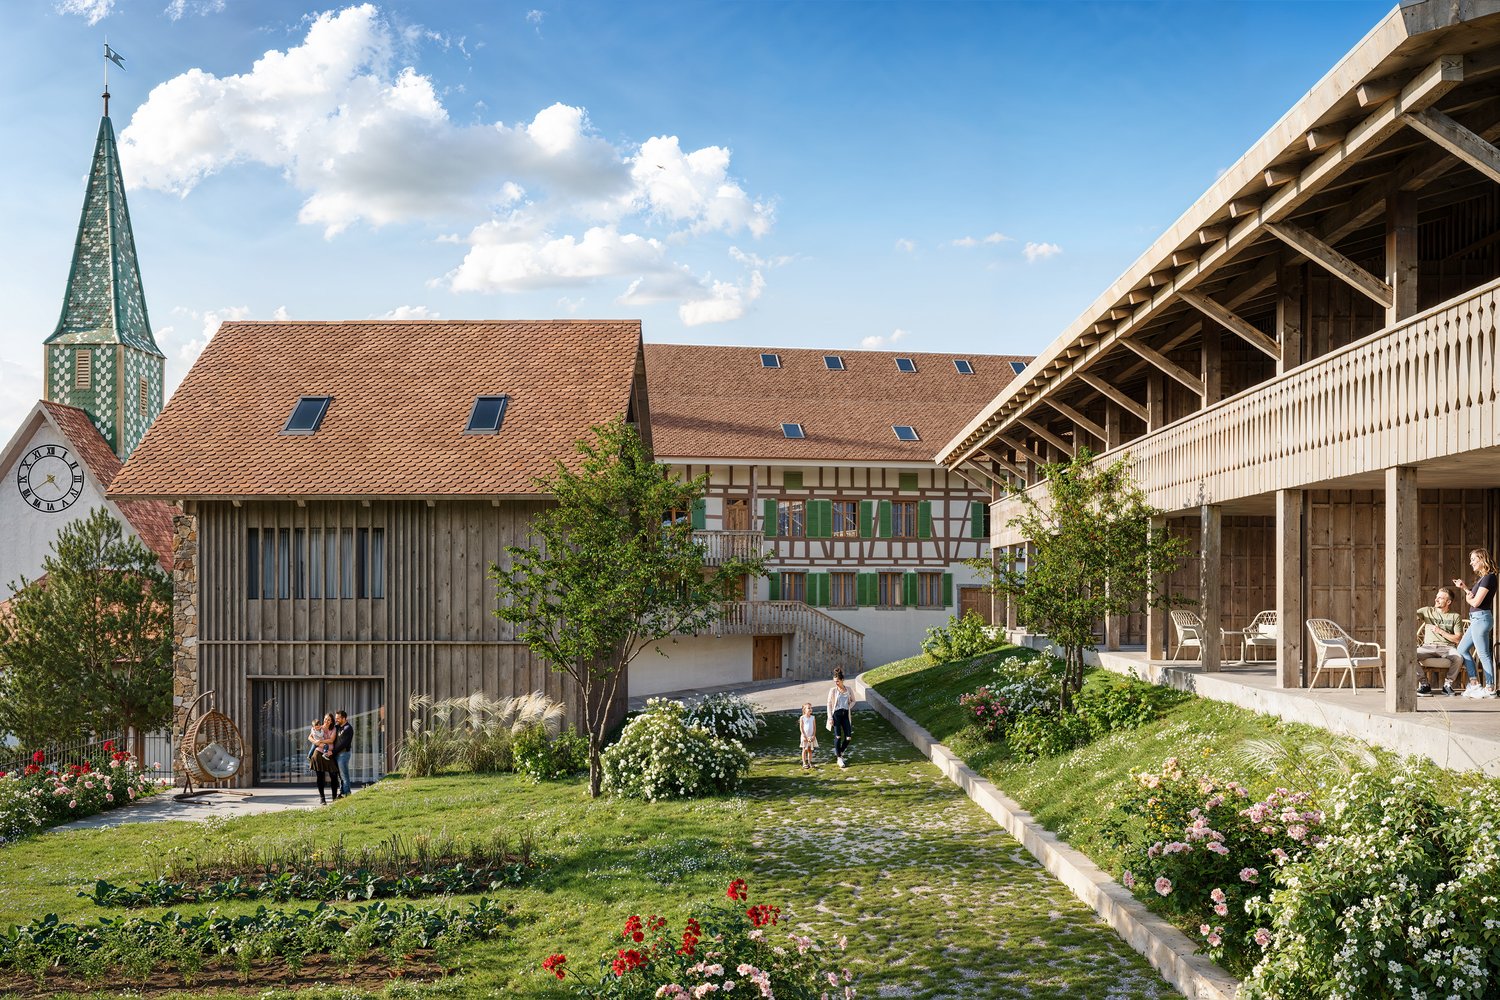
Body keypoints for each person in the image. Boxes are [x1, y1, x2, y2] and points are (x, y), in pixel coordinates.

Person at [1453, 548, 1498, 699]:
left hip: (1481, 618)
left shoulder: (1489, 578)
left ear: (1482, 559)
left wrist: (1468, 600)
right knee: (1462, 649)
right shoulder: (1483, 578)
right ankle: (1474, 684)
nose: (1471, 563)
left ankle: (1490, 687)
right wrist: (1465, 588)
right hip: (1477, 619)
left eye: (1473, 559)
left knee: (1483, 654)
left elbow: (1477, 601)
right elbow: (1474, 596)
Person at [1415, 587, 1466, 697]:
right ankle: (1424, 685)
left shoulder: (1455, 616)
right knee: (1409, 655)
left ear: (1448, 602)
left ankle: (1447, 685)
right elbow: (1409, 616)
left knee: (1458, 657)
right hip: (1428, 647)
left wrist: (1440, 631)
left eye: (1440, 598)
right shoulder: (1427, 611)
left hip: (1447, 647)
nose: (1436, 600)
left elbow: (1457, 639)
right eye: (1436, 597)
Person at [306, 712, 337, 804]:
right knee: (320, 776)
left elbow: (331, 740)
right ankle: (322, 798)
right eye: (325, 719)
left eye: (329, 720)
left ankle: (334, 797)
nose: (326, 721)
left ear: (331, 722)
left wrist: (320, 741)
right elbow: (309, 737)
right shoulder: (319, 727)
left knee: (333, 775)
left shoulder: (334, 729)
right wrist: (316, 742)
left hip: (329, 754)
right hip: (318, 753)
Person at [826, 668, 853, 769]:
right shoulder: (833, 690)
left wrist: (849, 706)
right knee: (838, 736)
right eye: (834, 681)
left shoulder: (848, 689)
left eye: (837, 681)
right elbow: (828, 704)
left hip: (845, 714)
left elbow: (853, 701)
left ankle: (839, 751)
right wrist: (830, 717)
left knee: (848, 737)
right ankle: (839, 758)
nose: (836, 683)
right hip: (836, 715)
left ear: (842, 680)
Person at [331, 710, 355, 796]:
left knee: (344, 774)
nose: (336, 720)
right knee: (340, 775)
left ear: (344, 718)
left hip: (343, 754)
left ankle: (347, 793)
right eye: (336, 718)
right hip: (337, 754)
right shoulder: (337, 727)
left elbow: (343, 744)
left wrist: (332, 752)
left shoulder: (348, 728)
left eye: (338, 718)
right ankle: (342, 792)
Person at [798, 702, 819, 770]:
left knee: (810, 750)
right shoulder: (802, 718)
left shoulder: (813, 717)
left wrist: (813, 735)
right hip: (805, 736)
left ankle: (810, 762)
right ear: (804, 710)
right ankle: (804, 763)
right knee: (804, 749)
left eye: (811, 708)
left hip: (811, 736)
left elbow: (814, 727)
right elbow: (801, 727)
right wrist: (803, 735)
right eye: (808, 708)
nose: (810, 709)